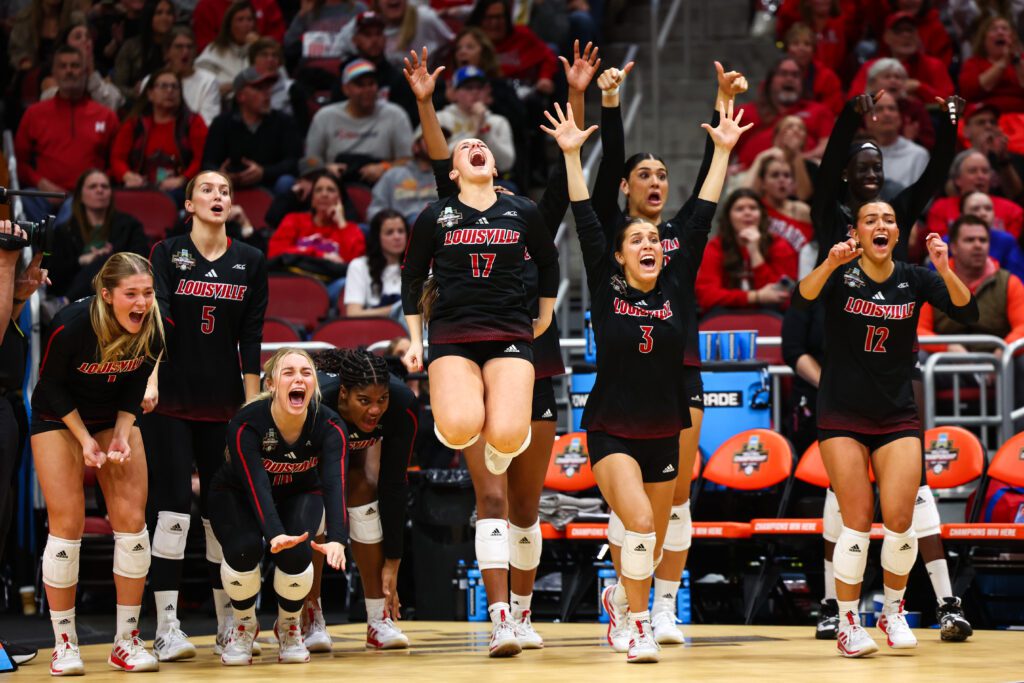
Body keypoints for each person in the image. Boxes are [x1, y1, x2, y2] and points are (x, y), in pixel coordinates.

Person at [404, 41, 597, 651]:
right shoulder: (446, 209)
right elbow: (443, 161)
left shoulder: (523, 213)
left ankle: (522, 609)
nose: (470, 153)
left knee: (525, 500)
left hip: (525, 353)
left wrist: (576, 99)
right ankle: (499, 616)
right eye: (462, 153)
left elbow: (564, 199)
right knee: (488, 490)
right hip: (463, 346)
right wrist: (427, 106)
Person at [550, 93, 745, 662]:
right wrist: (570, 155)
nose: (649, 245)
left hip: (666, 422)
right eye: (636, 239)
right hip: (611, 425)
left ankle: (626, 600)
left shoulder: (677, 277)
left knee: (656, 530)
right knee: (635, 520)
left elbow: (705, 208)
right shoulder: (606, 282)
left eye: (654, 241)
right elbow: (586, 215)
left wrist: (722, 151)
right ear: (617, 256)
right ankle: (637, 623)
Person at [795, 206, 977, 657]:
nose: (881, 225)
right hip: (841, 412)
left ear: (898, 232)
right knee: (856, 521)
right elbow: (803, 297)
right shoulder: (840, 272)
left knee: (900, 523)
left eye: (889, 219)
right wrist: (831, 263)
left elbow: (967, 310)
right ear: (856, 231)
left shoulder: (915, 278)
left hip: (896, 413)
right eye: (871, 219)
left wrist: (944, 268)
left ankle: (892, 611)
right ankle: (848, 620)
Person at [143, 170, 268, 662]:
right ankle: (167, 627)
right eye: (207, 191)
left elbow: (252, 337)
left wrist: (253, 404)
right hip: (170, 400)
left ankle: (228, 625)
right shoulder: (166, 253)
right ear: (189, 203)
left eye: (225, 191)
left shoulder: (251, 261)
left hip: (224, 404)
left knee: (223, 515)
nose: (218, 197)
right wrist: (150, 380)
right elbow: (158, 319)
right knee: (172, 510)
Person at [32, 252, 165, 675]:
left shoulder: (154, 327)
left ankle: (126, 641)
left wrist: (123, 433)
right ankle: (64, 642)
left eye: (147, 292)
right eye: (132, 294)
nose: (142, 302)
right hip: (59, 415)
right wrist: (84, 438)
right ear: (107, 296)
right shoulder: (71, 325)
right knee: (66, 525)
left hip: (113, 414)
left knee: (131, 522)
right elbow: (50, 386)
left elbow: (134, 388)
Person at [208, 348, 348, 666]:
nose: (298, 378)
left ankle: (289, 625)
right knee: (244, 549)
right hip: (237, 493)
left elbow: (334, 483)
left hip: (300, 492)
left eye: (306, 372)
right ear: (270, 385)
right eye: (288, 373)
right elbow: (257, 487)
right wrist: (274, 533)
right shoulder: (246, 424)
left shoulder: (330, 425)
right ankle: (244, 625)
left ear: (313, 384)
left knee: (297, 551)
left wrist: (338, 536)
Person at [299, 348, 418, 651]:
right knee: (317, 501)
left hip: (348, 455)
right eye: (364, 401)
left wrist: (393, 562)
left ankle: (378, 619)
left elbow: (394, 485)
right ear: (343, 394)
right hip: (300, 466)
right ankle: (310, 613)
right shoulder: (314, 401)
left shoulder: (402, 404)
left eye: (381, 400)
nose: (375, 410)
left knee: (365, 488)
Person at [812, 91, 960, 266]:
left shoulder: (897, 214)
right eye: (862, 169)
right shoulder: (830, 214)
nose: (872, 175)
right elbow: (830, 166)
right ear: (845, 173)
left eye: (877, 168)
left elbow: (935, 173)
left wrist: (951, 120)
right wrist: (851, 115)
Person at [918, 214, 1024, 431]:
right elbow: (918, 330)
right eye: (970, 240)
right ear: (953, 247)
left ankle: (1018, 444)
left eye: (983, 240)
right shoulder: (932, 283)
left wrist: (1004, 351)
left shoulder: (1009, 282)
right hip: (947, 363)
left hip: (998, 364)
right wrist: (948, 347)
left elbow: (1023, 327)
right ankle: (920, 443)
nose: (978, 246)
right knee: (915, 360)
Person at [14, 44, 119, 222]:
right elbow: (19, 162)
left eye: (75, 66)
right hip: (42, 193)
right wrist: (41, 183)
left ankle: (51, 248)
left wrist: (91, 188)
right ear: (54, 73)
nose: (69, 71)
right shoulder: (34, 113)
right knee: (24, 199)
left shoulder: (106, 115)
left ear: (85, 71)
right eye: (63, 66)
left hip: (83, 197)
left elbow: (116, 162)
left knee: (76, 208)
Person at [304, 58, 414, 186]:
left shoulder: (395, 115)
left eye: (371, 84)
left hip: (382, 183)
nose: (367, 90)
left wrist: (385, 167)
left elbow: (408, 160)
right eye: (360, 85)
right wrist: (326, 169)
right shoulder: (325, 116)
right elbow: (310, 161)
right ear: (345, 89)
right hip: (335, 183)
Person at [48, 169, 148, 302]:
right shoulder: (64, 231)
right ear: (80, 195)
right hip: (75, 293)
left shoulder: (129, 226)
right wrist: (82, 260)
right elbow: (53, 274)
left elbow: (140, 260)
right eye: (92, 186)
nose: (99, 190)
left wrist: (111, 257)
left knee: (106, 261)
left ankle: (64, 302)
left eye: (104, 186)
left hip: (118, 292)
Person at [202, 67, 302, 195]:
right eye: (259, 89)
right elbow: (208, 162)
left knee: (286, 182)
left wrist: (263, 172)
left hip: (270, 185)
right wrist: (221, 174)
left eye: (268, 88)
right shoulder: (222, 123)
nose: (267, 94)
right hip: (227, 189)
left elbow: (294, 162)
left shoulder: (284, 122)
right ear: (240, 96)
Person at [695, 187, 795, 313]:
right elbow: (707, 297)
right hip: (725, 316)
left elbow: (781, 296)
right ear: (728, 217)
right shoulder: (716, 247)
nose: (747, 213)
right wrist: (755, 297)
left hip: (769, 316)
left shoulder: (779, 245)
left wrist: (754, 251)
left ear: (762, 215)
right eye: (739, 209)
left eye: (753, 208)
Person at [268, 172, 366, 301]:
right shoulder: (294, 220)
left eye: (330, 190)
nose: (324, 194)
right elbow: (275, 253)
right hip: (293, 279)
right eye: (318, 190)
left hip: (329, 285)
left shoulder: (350, 229)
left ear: (340, 199)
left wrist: (342, 224)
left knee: (345, 284)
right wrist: (321, 255)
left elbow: (354, 267)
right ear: (312, 199)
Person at [110, 69, 208, 196]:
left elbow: (202, 159)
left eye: (174, 87)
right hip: (139, 188)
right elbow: (117, 158)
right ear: (150, 94)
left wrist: (183, 179)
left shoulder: (193, 122)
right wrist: (127, 176)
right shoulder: (134, 124)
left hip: (182, 191)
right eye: (163, 86)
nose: (170, 91)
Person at [733, 56, 834, 170]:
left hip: (802, 174)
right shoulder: (744, 112)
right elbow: (723, 151)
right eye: (783, 74)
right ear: (770, 81)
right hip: (749, 176)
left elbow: (827, 148)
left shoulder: (819, 111)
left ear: (802, 83)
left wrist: (797, 160)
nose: (789, 79)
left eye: (795, 75)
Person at [846, 11, 954, 105]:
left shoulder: (934, 65)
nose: (906, 35)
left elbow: (949, 103)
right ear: (886, 37)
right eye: (899, 31)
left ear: (918, 36)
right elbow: (854, 100)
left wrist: (920, 88)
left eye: (910, 30)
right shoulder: (871, 67)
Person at [926, 150, 1024, 242]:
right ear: (957, 179)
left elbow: (1010, 248)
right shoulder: (940, 208)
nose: (980, 176)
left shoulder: (1013, 211)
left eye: (985, 171)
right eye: (973, 171)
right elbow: (939, 247)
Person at [436, 65, 516, 175]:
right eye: (468, 87)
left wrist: (484, 131)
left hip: (490, 180)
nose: (475, 92)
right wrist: (474, 130)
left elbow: (506, 163)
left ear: (487, 91)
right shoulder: (441, 118)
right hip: (450, 180)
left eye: (479, 87)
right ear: (454, 93)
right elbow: (440, 159)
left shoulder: (498, 122)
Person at [39, 16, 124, 111]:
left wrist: (91, 73)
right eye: (78, 37)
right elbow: (56, 105)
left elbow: (112, 104)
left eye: (88, 37)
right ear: (66, 46)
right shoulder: (50, 70)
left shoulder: (100, 71)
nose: (85, 40)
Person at [366, 129, 443, 224]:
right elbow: (374, 209)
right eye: (430, 139)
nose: (436, 142)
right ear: (416, 146)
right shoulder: (393, 175)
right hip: (401, 228)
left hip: (436, 226)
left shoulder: (445, 176)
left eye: (441, 139)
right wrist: (389, 221)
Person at [344, 209, 407, 317]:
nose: (397, 237)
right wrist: (397, 310)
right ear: (377, 237)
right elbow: (353, 314)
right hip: (372, 331)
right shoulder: (359, 266)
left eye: (401, 231)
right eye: (389, 232)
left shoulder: (420, 267)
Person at [862, 90, 929, 190]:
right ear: (867, 120)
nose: (887, 113)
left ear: (899, 118)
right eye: (879, 109)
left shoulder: (918, 155)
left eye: (892, 109)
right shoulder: (860, 155)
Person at [959, 15, 1024, 113]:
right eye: (994, 29)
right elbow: (970, 91)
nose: (1000, 32)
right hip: (985, 118)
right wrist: (1003, 62)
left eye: (1005, 29)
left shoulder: (1020, 60)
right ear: (984, 40)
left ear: (1013, 37)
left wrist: (1016, 60)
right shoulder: (973, 63)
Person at [113, 0, 174, 102]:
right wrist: (135, 92)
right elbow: (117, 86)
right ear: (149, 17)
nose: (165, 18)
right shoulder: (131, 47)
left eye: (169, 13)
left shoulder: (179, 46)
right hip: (137, 104)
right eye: (159, 13)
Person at [194, 1, 257, 96]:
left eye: (249, 19)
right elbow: (199, 86)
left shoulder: (261, 50)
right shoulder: (213, 51)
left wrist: (259, 47)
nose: (246, 25)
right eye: (240, 20)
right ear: (229, 25)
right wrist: (230, 87)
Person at [959, 190, 1024, 280]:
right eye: (975, 209)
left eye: (988, 209)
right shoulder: (948, 241)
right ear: (962, 215)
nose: (983, 213)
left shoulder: (1007, 241)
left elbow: (1018, 278)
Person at [783, 22, 843, 115]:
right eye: (795, 43)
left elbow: (832, 112)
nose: (801, 48)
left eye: (807, 44)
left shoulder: (827, 78)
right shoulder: (777, 75)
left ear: (813, 50)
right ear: (788, 49)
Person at [284, 0, 367, 61]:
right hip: (317, 69)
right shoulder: (310, 11)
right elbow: (289, 43)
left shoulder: (358, 8)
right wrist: (301, 16)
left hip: (351, 64)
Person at [192, 0, 284, 52]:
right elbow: (203, 46)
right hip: (221, 65)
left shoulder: (266, 2)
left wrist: (259, 44)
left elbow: (277, 41)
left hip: (262, 61)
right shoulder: (206, 6)